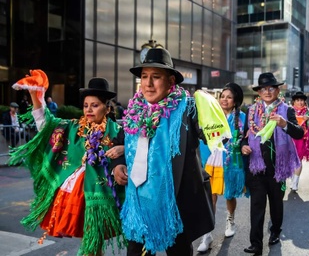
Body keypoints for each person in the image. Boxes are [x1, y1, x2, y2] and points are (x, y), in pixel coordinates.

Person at [112, 48, 216, 256]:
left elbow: (212, 135)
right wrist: (119, 164)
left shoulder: (188, 109)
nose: (148, 84)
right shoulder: (134, 111)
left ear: (170, 82)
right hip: (140, 203)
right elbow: (121, 142)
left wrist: (211, 114)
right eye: (144, 77)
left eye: (156, 77)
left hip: (175, 205)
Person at [9, 72, 126, 256]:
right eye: (86, 105)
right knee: (90, 241)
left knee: (93, 241)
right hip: (75, 192)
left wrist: (123, 149)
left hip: (101, 195)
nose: (89, 110)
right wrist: (35, 94)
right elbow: (46, 125)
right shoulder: (72, 127)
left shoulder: (118, 132)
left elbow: (138, 151)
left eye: (95, 105)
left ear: (107, 108)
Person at [241, 72, 303, 255]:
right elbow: (244, 137)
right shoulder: (251, 111)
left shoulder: (287, 110)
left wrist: (285, 124)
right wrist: (244, 146)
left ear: (277, 90)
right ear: (258, 92)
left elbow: (299, 133)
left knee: (276, 204)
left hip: (278, 168)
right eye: (263, 89)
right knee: (257, 206)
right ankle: (256, 244)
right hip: (256, 166)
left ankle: (275, 231)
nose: (267, 92)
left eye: (271, 88)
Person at [197, 82, 246, 252]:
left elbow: (245, 139)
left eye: (229, 97)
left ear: (235, 100)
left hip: (230, 161)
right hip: (211, 159)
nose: (224, 100)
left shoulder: (242, 118)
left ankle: (230, 220)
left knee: (229, 194)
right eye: (222, 96)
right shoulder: (210, 114)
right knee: (210, 197)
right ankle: (207, 234)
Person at [290, 91, 309, 191]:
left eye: (302, 100)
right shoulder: (289, 110)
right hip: (289, 139)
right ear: (294, 101)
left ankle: (295, 182)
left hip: (302, 139)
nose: (300, 102)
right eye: (298, 100)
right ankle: (292, 177)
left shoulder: (307, 112)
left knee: (298, 160)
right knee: (290, 160)